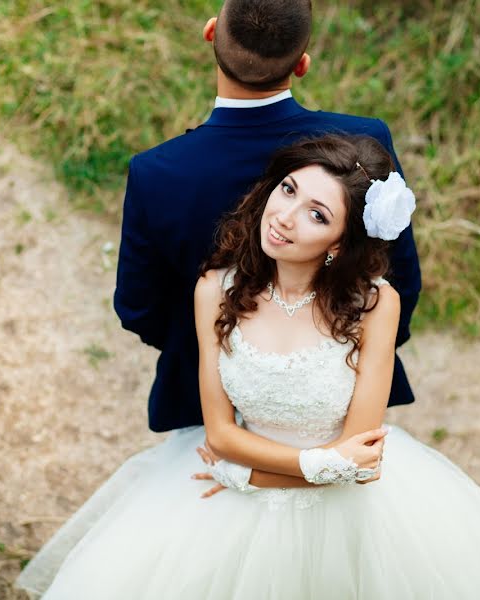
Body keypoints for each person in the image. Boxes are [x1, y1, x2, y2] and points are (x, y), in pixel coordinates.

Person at [15, 135, 480, 598]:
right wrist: (314, 463)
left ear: (339, 242)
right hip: (230, 496)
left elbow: (360, 459)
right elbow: (219, 433)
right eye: (287, 190)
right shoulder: (214, 289)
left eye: (315, 213)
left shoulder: (375, 305)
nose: (284, 217)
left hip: (343, 514)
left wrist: (246, 475)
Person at [113, 0, 421, 435]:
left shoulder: (157, 172)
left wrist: (223, 351)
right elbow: (399, 277)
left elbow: (137, 308)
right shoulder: (365, 142)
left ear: (210, 32)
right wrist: (344, 361)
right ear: (302, 64)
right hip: (338, 394)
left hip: (201, 399)